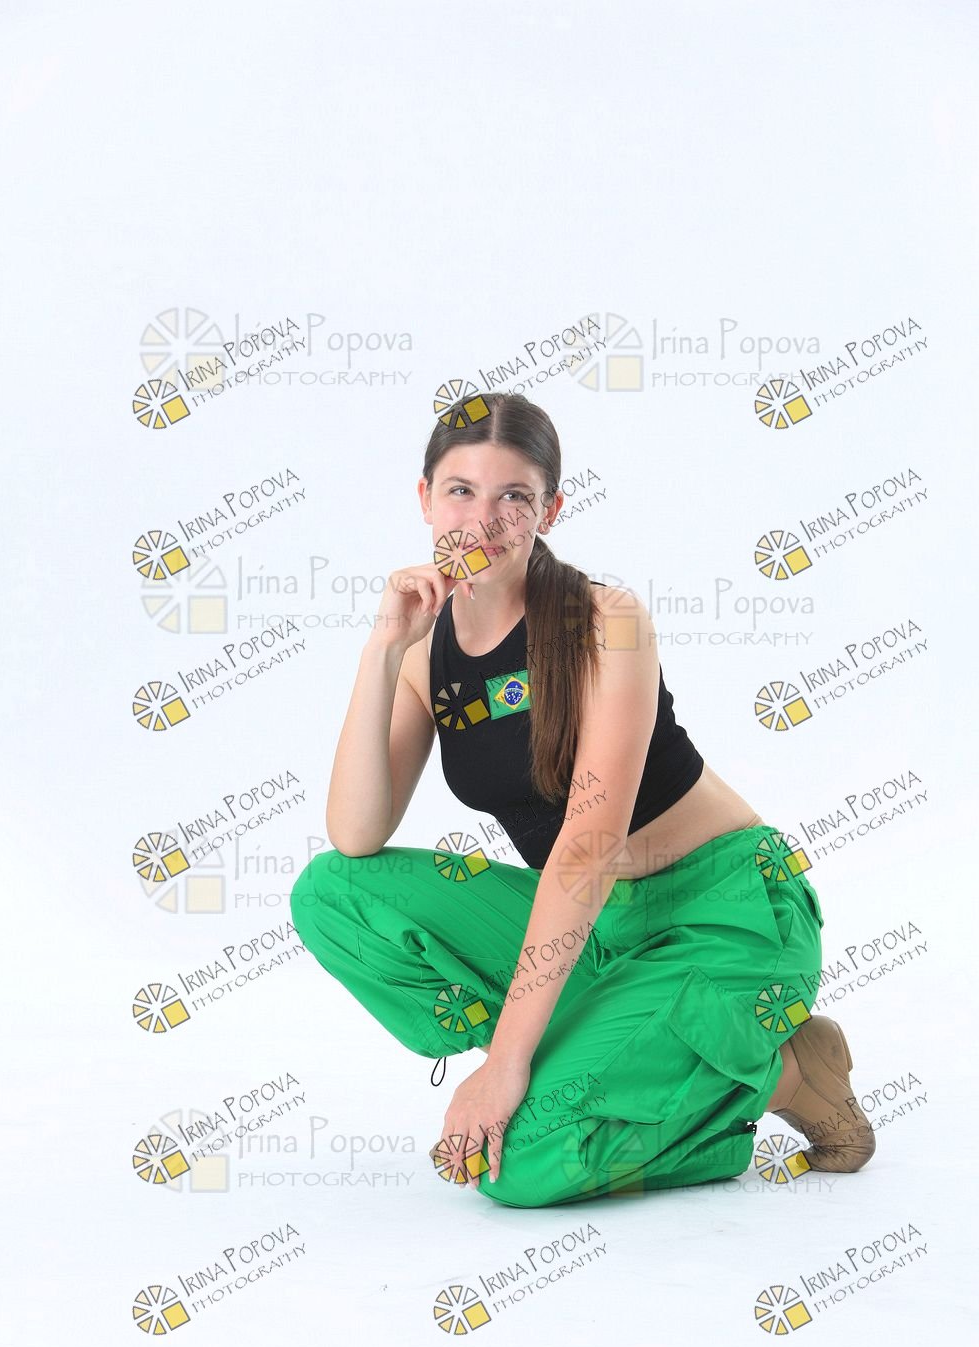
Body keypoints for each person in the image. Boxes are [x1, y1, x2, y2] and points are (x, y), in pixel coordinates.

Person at [289, 391, 875, 1208]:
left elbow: (587, 848)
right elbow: (355, 835)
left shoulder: (606, 622)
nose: (482, 520)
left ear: (550, 510)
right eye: (460, 490)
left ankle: (784, 1074)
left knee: (522, 1169)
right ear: (423, 498)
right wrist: (384, 649)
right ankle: (597, 1059)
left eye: (513, 496)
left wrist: (506, 1065)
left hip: (724, 915)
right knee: (332, 893)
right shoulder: (426, 654)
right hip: (595, 928)